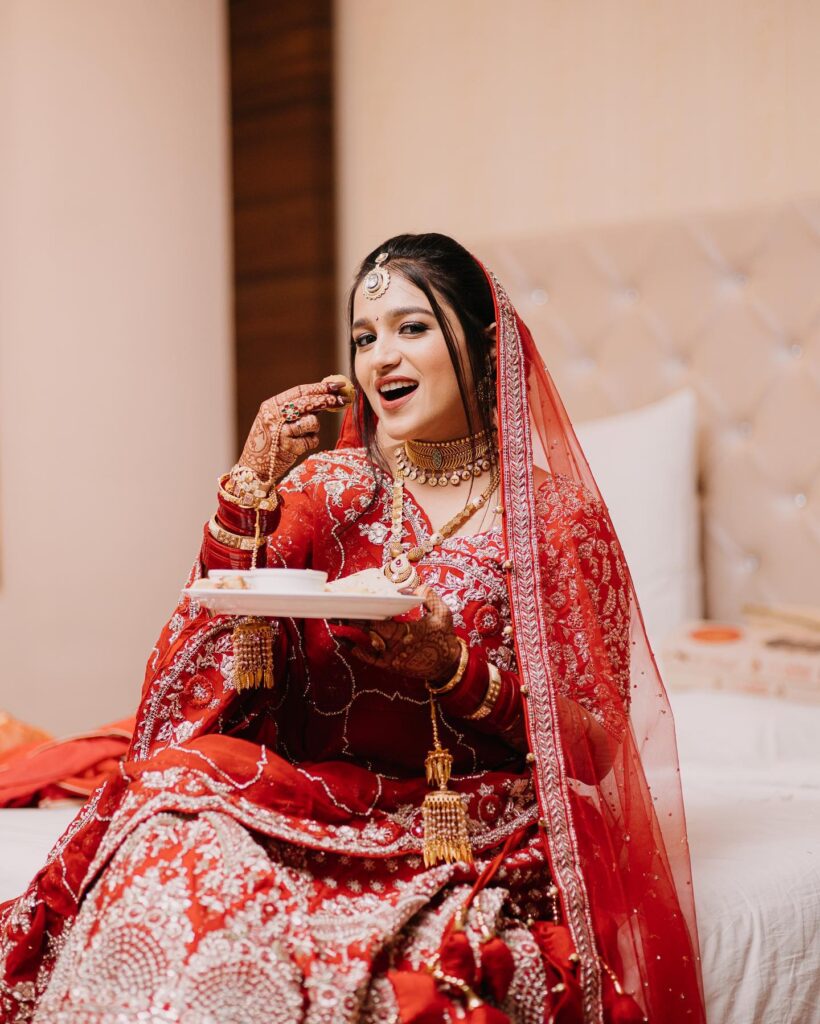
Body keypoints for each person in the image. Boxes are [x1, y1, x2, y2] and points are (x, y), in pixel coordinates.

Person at [0, 234, 705, 1023]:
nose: (381, 358)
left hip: (463, 819)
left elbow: (601, 748)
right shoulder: (326, 490)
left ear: (483, 345)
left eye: (412, 328)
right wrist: (246, 488)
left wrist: (455, 670)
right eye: (365, 337)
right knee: (171, 792)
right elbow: (201, 659)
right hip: (311, 798)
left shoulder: (557, 520)